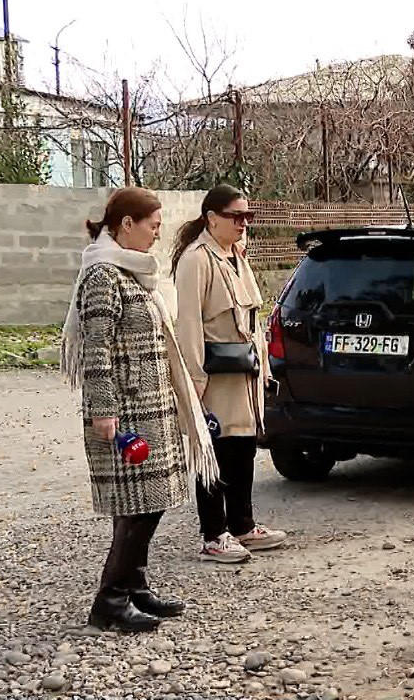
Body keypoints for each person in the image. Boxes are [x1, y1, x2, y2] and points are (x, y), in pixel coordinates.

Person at [60, 187, 220, 632]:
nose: (157, 233)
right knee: (135, 507)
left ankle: (135, 587)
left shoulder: (132, 274)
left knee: (150, 502)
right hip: (125, 412)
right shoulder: (103, 277)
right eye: (152, 224)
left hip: (151, 407)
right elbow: (97, 351)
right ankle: (109, 601)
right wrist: (103, 412)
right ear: (125, 224)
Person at [173, 185, 286, 563]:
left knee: (242, 450)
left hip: (244, 372)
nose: (243, 224)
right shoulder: (197, 259)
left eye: (247, 217)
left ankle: (241, 524)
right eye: (236, 216)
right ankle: (213, 534)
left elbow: (252, 321)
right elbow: (187, 324)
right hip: (215, 374)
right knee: (215, 453)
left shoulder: (235, 255)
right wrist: (195, 381)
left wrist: (265, 367)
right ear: (212, 218)